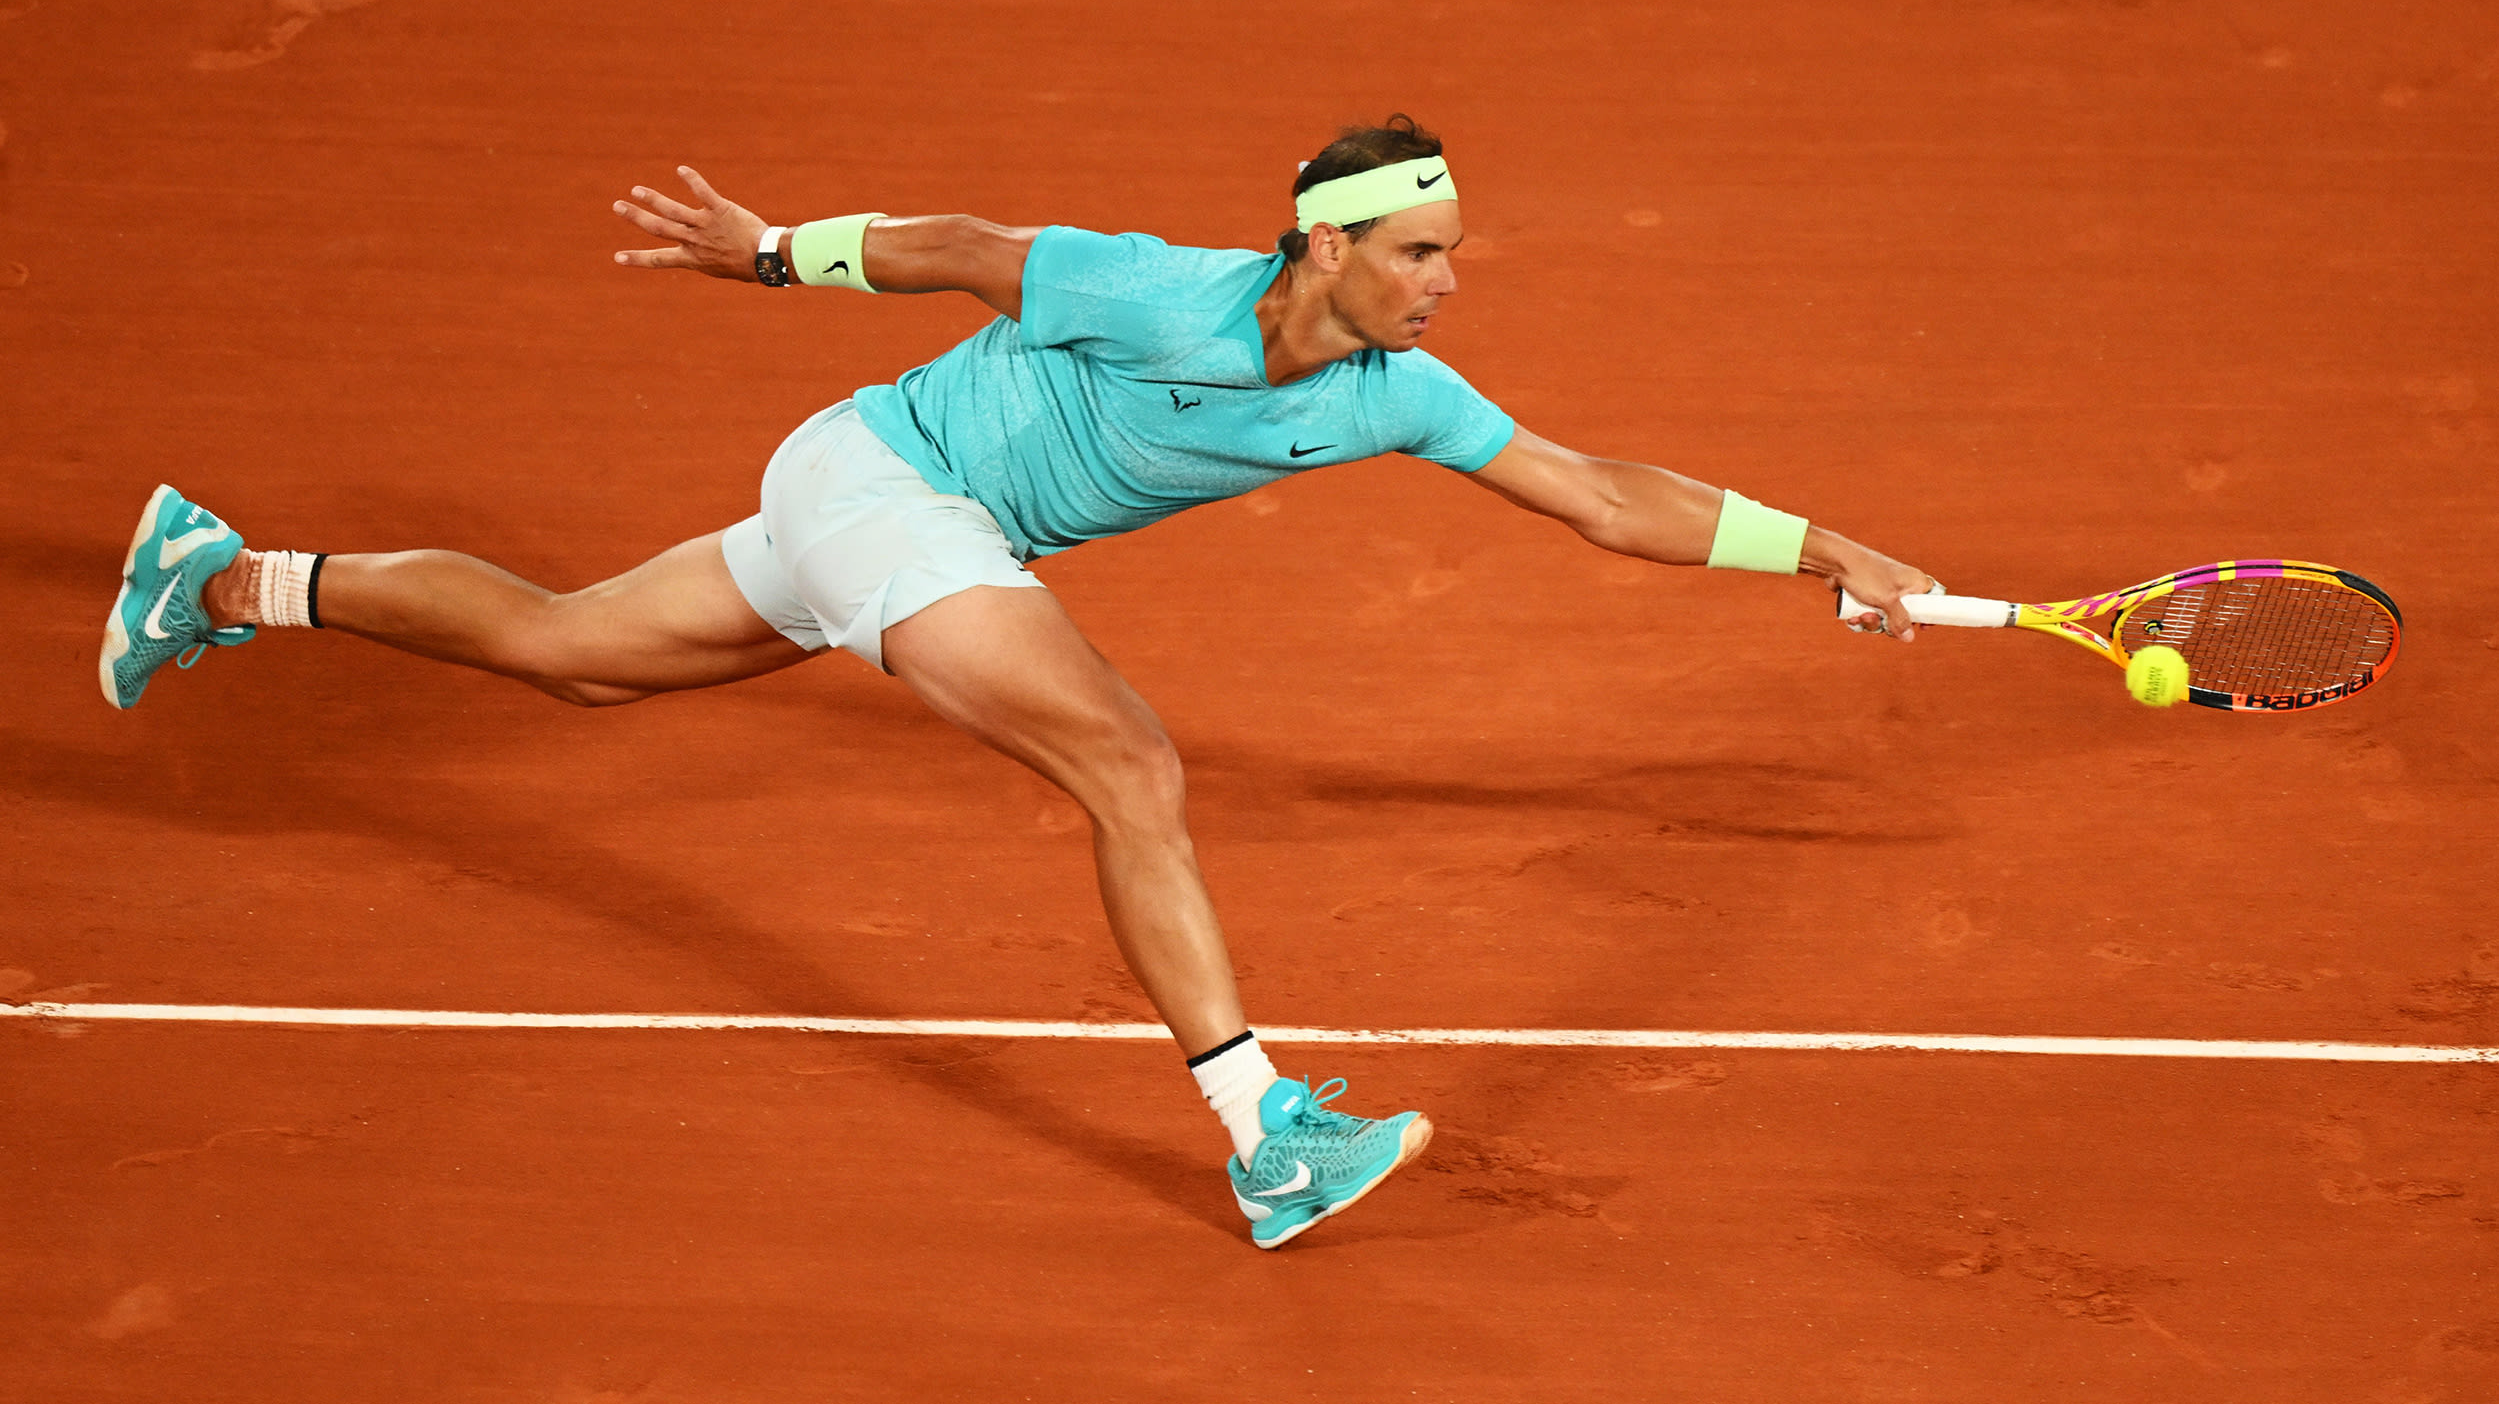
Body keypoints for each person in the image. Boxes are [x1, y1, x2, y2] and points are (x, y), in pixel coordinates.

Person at [99, 115, 1937, 1248]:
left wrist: (1828, 543)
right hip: (882, 480)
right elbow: (955, 252)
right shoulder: (1155, 291)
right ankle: (1266, 1139)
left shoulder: (1401, 396)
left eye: (1453, 252)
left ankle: (228, 575)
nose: (1451, 283)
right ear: (1327, 243)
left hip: (908, 524)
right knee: (1132, 764)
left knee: (573, 653)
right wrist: (764, 253)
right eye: (1420, 251)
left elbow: (1604, 493)